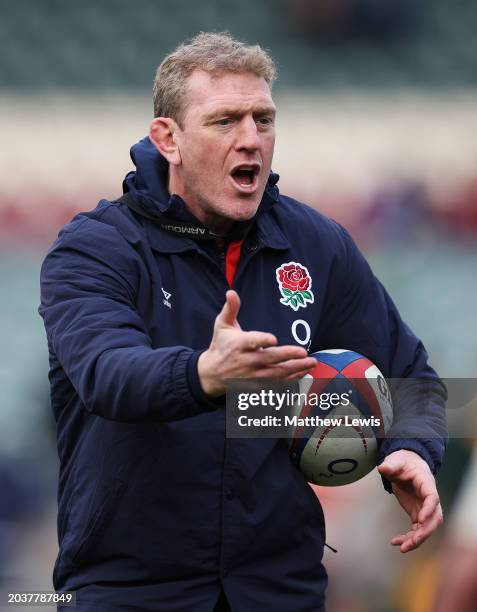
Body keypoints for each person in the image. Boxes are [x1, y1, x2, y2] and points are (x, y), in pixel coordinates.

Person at [39, 32, 447, 612]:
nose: (251, 140)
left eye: (263, 119)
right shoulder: (96, 249)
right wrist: (205, 374)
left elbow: (414, 377)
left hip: (281, 590)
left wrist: (413, 447)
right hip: (129, 592)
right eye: (225, 121)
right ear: (168, 139)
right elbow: (108, 375)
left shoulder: (316, 245)